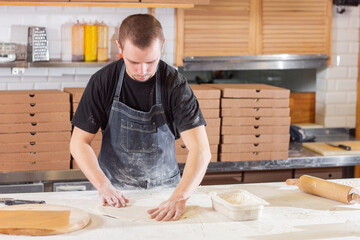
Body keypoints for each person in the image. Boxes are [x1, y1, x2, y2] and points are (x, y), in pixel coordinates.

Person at [70, 14, 211, 221]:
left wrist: (180, 196)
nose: (142, 71)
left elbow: (201, 150)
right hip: (114, 194)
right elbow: (79, 142)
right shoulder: (103, 82)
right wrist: (102, 185)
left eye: (151, 61)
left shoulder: (175, 85)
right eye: (134, 62)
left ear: (162, 45)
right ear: (120, 47)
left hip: (167, 194)